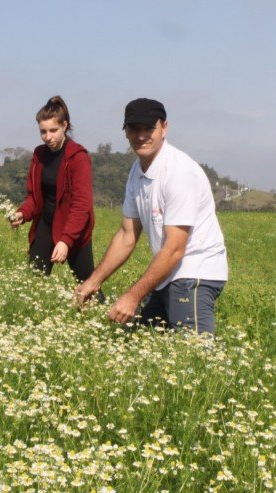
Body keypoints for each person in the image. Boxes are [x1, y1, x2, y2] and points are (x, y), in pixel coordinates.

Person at [74, 98, 228, 334]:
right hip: (170, 272)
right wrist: (92, 283)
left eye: (149, 128)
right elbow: (127, 235)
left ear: (164, 127)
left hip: (194, 271)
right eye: (134, 128)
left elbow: (175, 248)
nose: (141, 135)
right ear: (125, 131)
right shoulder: (137, 171)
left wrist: (133, 296)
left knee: (194, 356)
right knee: (134, 340)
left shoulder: (178, 172)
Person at [10, 96, 100, 294]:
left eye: (53, 130)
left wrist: (66, 240)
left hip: (74, 228)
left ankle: (104, 317)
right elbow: (34, 197)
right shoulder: (39, 154)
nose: (47, 136)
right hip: (46, 224)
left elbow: (82, 205)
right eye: (43, 131)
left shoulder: (78, 157)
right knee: (34, 284)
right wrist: (22, 214)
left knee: (87, 286)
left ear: (64, 126)